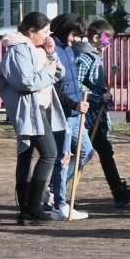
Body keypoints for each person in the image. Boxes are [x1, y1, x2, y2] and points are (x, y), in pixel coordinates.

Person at [0, 11, 66, 225]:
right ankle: (33, 206)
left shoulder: (35, 48)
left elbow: (57, 73)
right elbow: (25, 82)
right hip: (28, 109)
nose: (47, 36)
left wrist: (51, 54)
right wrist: (48, 71)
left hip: (40, 106)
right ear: (31, 31)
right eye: (44, 32)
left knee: (27, 154)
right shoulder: (19, 49)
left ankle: (26, 210)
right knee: (49, 153)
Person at [78, 19, 130, 207]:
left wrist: (105, 93)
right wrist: (98, 98)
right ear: (95, 38)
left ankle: (118, 191)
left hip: (95, 117)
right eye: (107, 40)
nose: (109, 45)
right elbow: (76, 86)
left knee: (104, 151)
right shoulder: (85, 57)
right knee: (80, 154)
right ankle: (52, 191)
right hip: (86, 117)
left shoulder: (96, 56)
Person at [47, 14, 93, 221]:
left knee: (86, 150)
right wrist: (73, 103)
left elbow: (73, 80)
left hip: (76, 114)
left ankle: (53, 189)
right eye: (75, 35)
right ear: (66, 29)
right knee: (63, 158)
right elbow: (54, 87)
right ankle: (60, 204)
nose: (77, 40)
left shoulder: (68, 49)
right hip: (63, 113)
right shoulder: (52, 50)